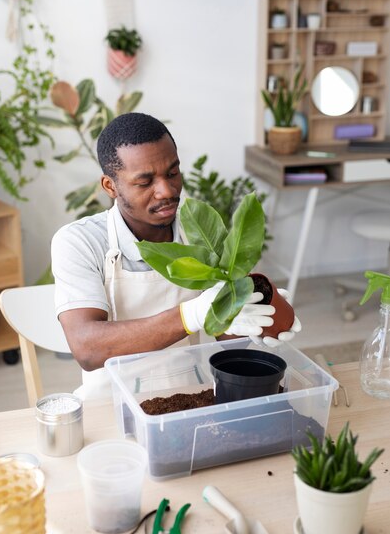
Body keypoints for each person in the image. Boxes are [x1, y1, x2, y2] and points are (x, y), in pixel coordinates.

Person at [51, 113, 301, 399]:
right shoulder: (80, 241)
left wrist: (256, 314)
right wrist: (191, 314)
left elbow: (230, 342)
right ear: (110, 186)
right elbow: (87, 348)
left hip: (191, 395)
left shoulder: (197, 229)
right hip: (110, 404)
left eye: (172, 173)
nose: (167, 191)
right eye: (145, 183)